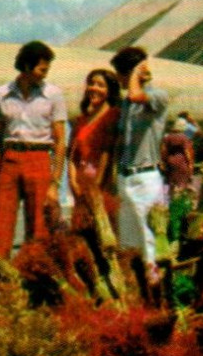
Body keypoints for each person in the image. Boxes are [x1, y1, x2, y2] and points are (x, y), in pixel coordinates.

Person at [0, 42, 67, 258]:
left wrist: (55, 181)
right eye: (42, 69)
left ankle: (35, 275)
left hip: (39, 157)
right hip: (10, 158)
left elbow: (60, 141)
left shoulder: (53, 95)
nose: (45, 74)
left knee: (40, 226)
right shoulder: (1, 94)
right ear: (26, 65)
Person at [111, 46, 170, 258]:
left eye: (120, 74)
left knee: (149, 241)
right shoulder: (127, 103)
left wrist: (136, 71)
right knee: (128, 242)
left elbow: (137, 94)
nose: (119, 79)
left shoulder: (158, 96)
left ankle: (154, 284)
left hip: (146, 177)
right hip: (125, 176)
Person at [69, 68, 121, 232]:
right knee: (82, 229)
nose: (94, 88)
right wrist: (72, 181)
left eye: (101, 85)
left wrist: (96, 186)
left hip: (102, 184)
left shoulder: (113, 116)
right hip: (80, 182)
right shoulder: (82, 120)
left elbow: (108, 152)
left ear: (110, 91)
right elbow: (72, 155)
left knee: (103, 230)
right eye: (91, 83)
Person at [161, 125, 195, 195]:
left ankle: (171, 199)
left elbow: (164, 151)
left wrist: (164, 162)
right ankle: (179, 199)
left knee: (171, 183)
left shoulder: (167, 137)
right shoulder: (184, 138)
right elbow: (186, 152)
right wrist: (190, 163)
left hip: (170, 162)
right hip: (182, 162)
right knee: (182, 183)